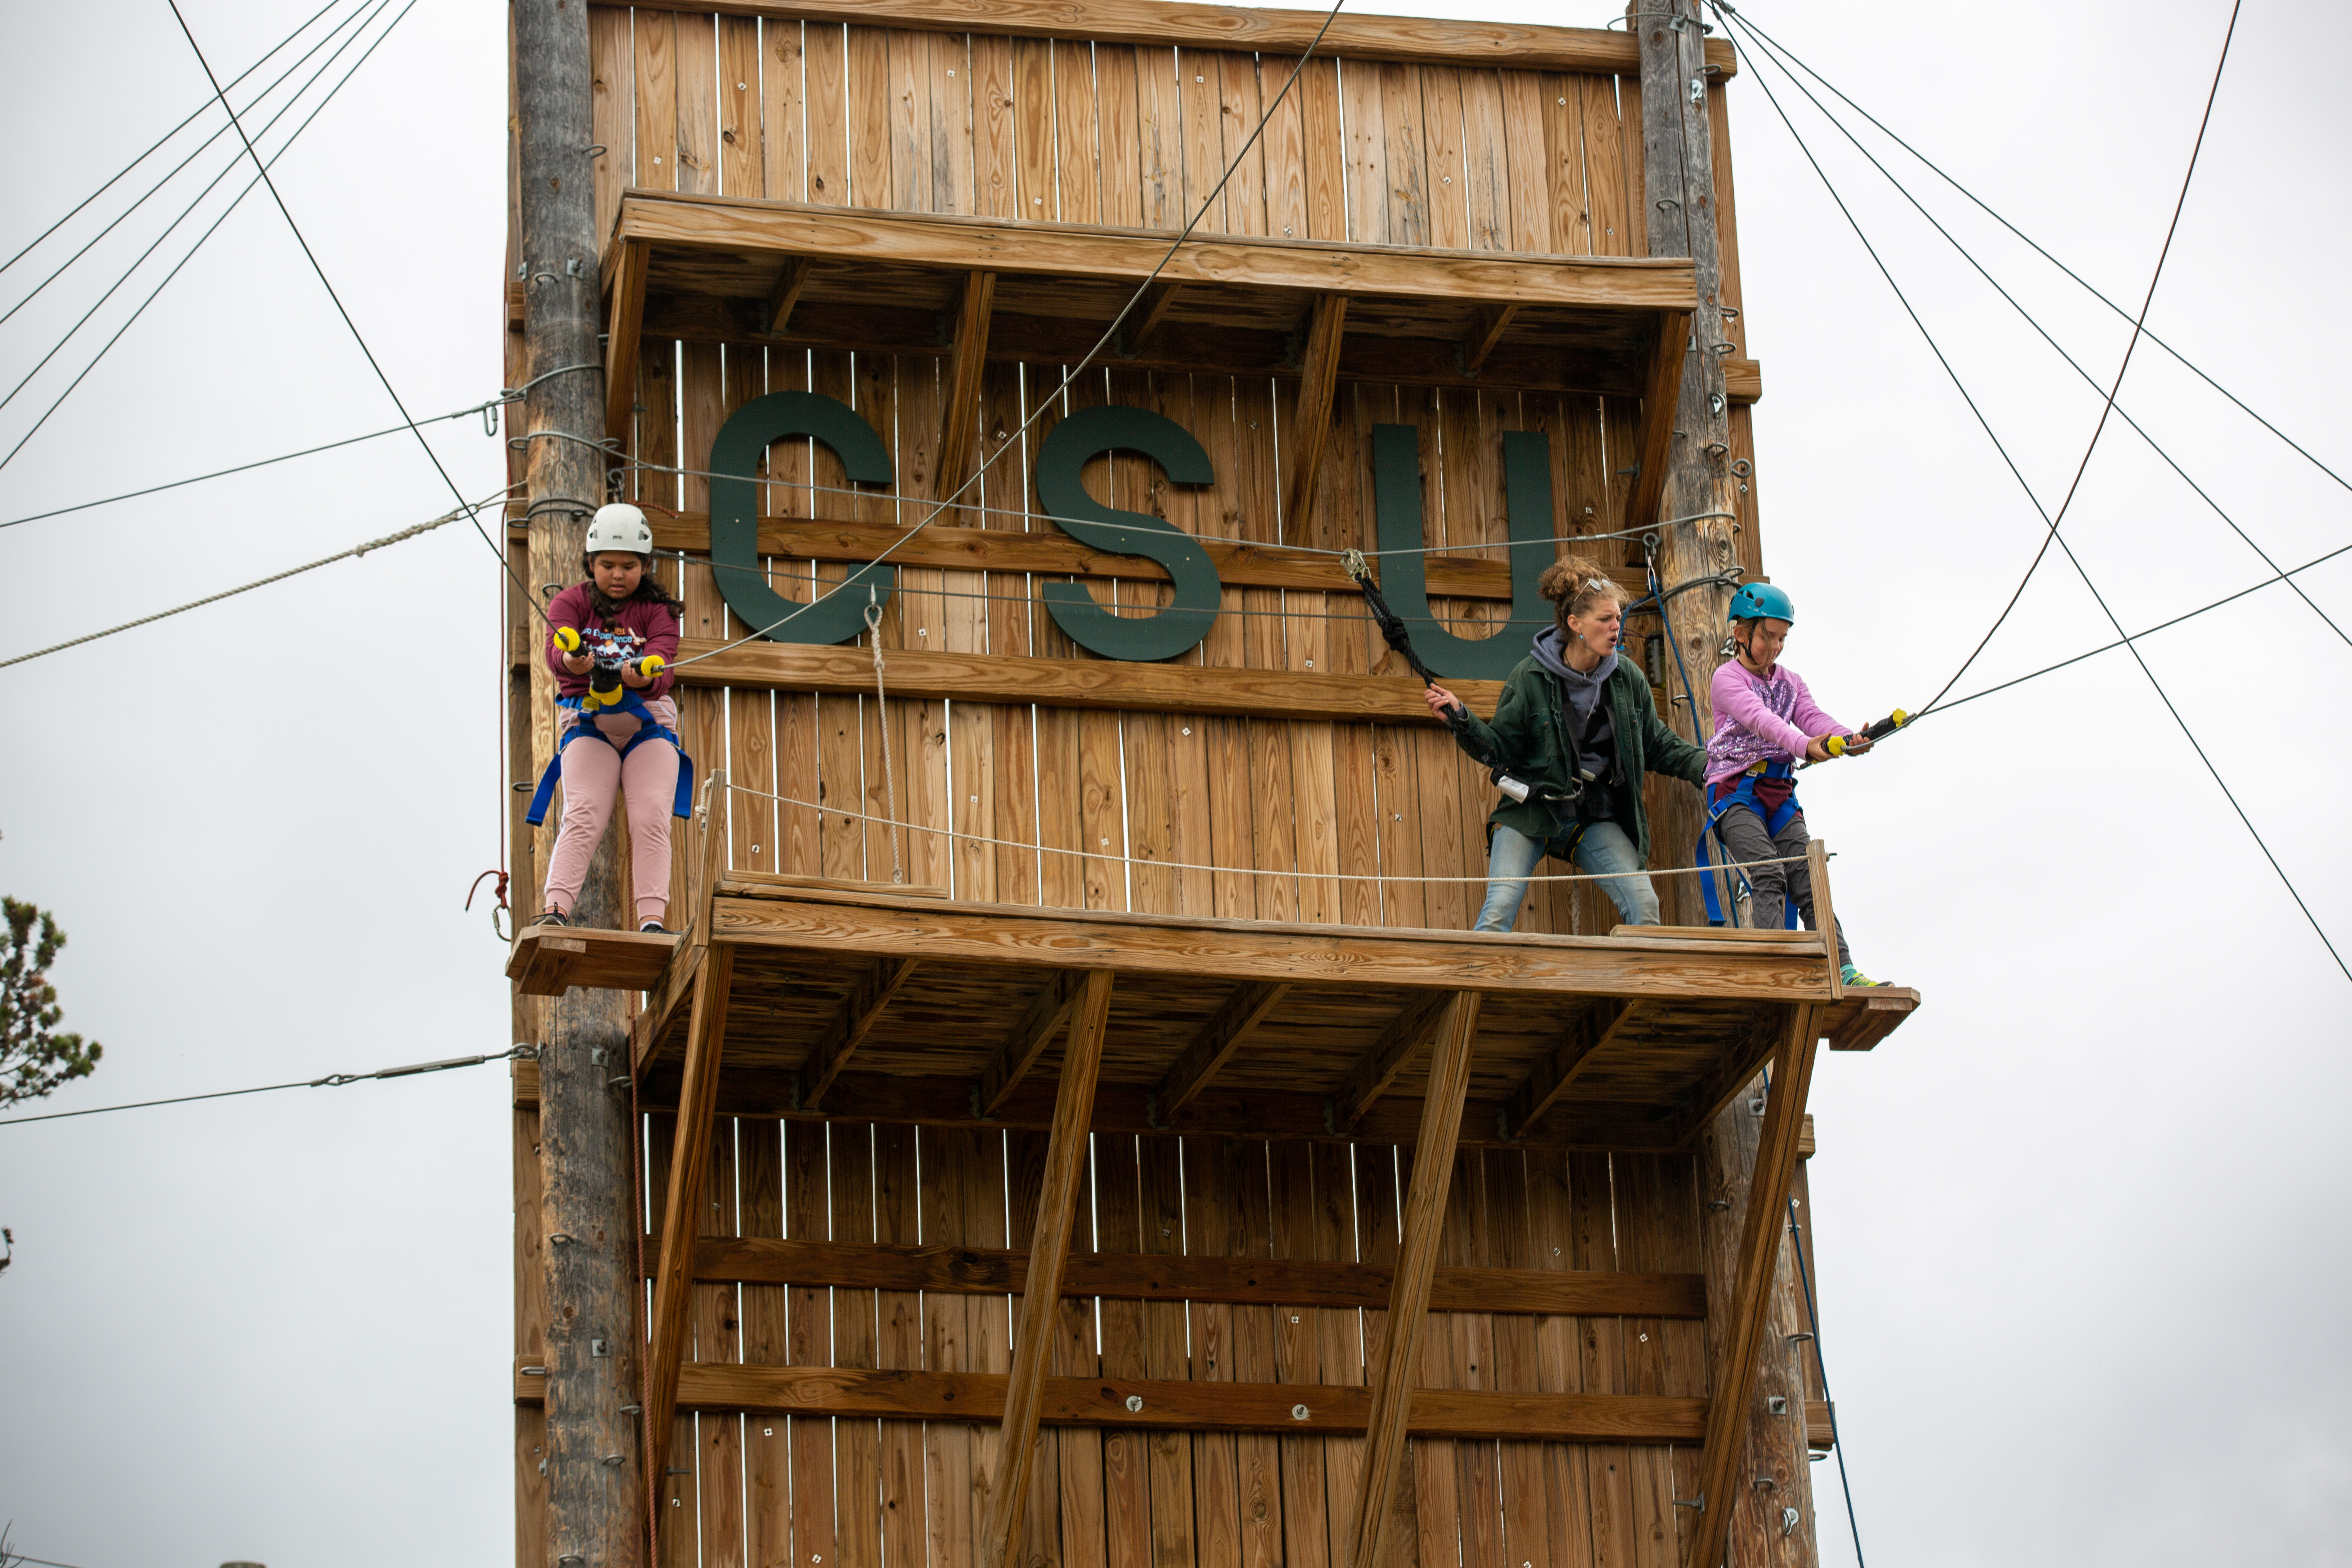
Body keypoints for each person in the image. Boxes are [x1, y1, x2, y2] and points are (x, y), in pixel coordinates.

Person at [1424, 555, 1707, 933]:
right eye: (1605, 619)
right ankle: (1483, 986)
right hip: (1531, 813)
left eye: (1618, 618)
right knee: (1499, 908)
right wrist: (1462, 718)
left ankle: (1635, 990)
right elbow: (1501, 750)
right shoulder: (1529, 677)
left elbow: (1656, 744)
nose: (1616, 627)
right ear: (1575, 624)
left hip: (1594, 818)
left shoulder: (1628, 678)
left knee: (1645, 906)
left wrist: (1712, 767)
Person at [1701, 580, 1882, 986]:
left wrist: (1848, 739)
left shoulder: (1790, 682)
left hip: (1779, 795)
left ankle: (1843, 969)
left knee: (1808, 879)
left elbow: (1814, 720)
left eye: (1783, 638)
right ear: (1741, 633)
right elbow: (1766, 723)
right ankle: (1770, 972)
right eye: (1769, 637)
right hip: (1736, 795)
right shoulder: (1727, 680)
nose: (1777, 647)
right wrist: (1808, 746)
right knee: (1769, 874)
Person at [532, 503, 688, 934]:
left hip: (647, 726)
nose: (618, 575)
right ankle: (557, 910)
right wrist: (573, 661)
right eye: (607, 565)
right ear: (590, 563)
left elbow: (663, 663)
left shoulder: (659, 611)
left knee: (652, 815)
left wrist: (642, 671)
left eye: (629, 566)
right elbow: (556, 656)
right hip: (589, 724)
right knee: (584, 811)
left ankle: (652, 920)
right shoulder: (570, 603)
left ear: (644, 566)